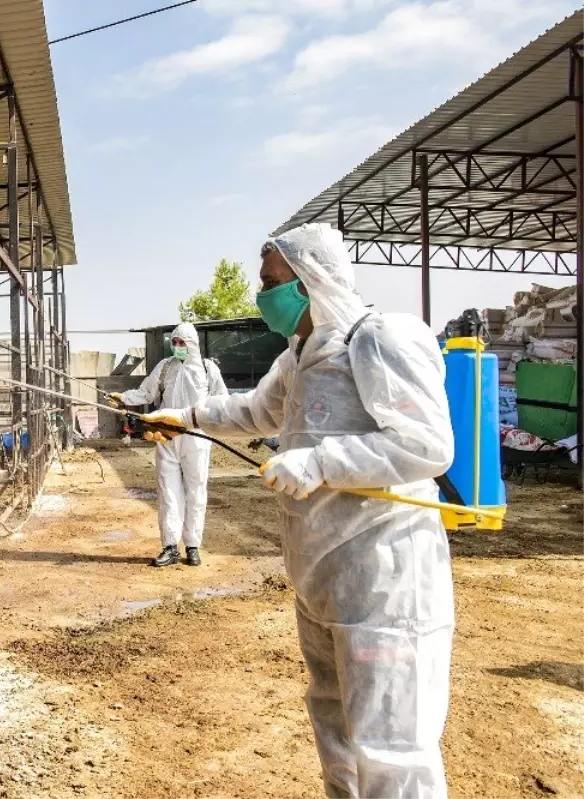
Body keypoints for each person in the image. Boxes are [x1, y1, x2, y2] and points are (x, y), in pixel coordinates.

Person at [145, 223, 456, 798]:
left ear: (311, 280)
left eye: (271, 283)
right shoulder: (302, 354)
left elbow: (428, 445)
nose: (262, 296)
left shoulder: (380, 338)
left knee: (391, 747)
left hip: (385, 579)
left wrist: (320, 462)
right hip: (322, 575)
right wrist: (184, 419)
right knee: (334, 727)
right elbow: (256, 412)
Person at [108, 322, 226, 567]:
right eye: (174, 342)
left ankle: (193, 546)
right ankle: (170, 546)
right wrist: (124, 399)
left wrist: (216, 423)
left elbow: (222, 401)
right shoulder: (164, 367)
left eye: (182, 343)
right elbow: (146, 393)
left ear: (192, 344)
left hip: (197, 436)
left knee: (196, 490)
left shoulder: (208, 369)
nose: (177, 347)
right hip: (166, 436)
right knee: (168, 491)